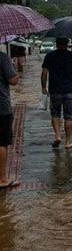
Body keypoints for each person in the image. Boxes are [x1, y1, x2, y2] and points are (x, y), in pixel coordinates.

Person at [41, 37, 72, 149]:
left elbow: (44, 72)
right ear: (68, 44)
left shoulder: (49, 56)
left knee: (55, 114)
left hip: (54, 90)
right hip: (69, 91)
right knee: (69, 116)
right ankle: (68, 142)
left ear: (56, 44)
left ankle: (58, 136)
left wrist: (43, 87)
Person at [1, 50, 20, 188]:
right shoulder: (2, 57)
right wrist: (14, 67)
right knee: (1, 143)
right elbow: (13, 80)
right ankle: (2, 179)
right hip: (1, 108)